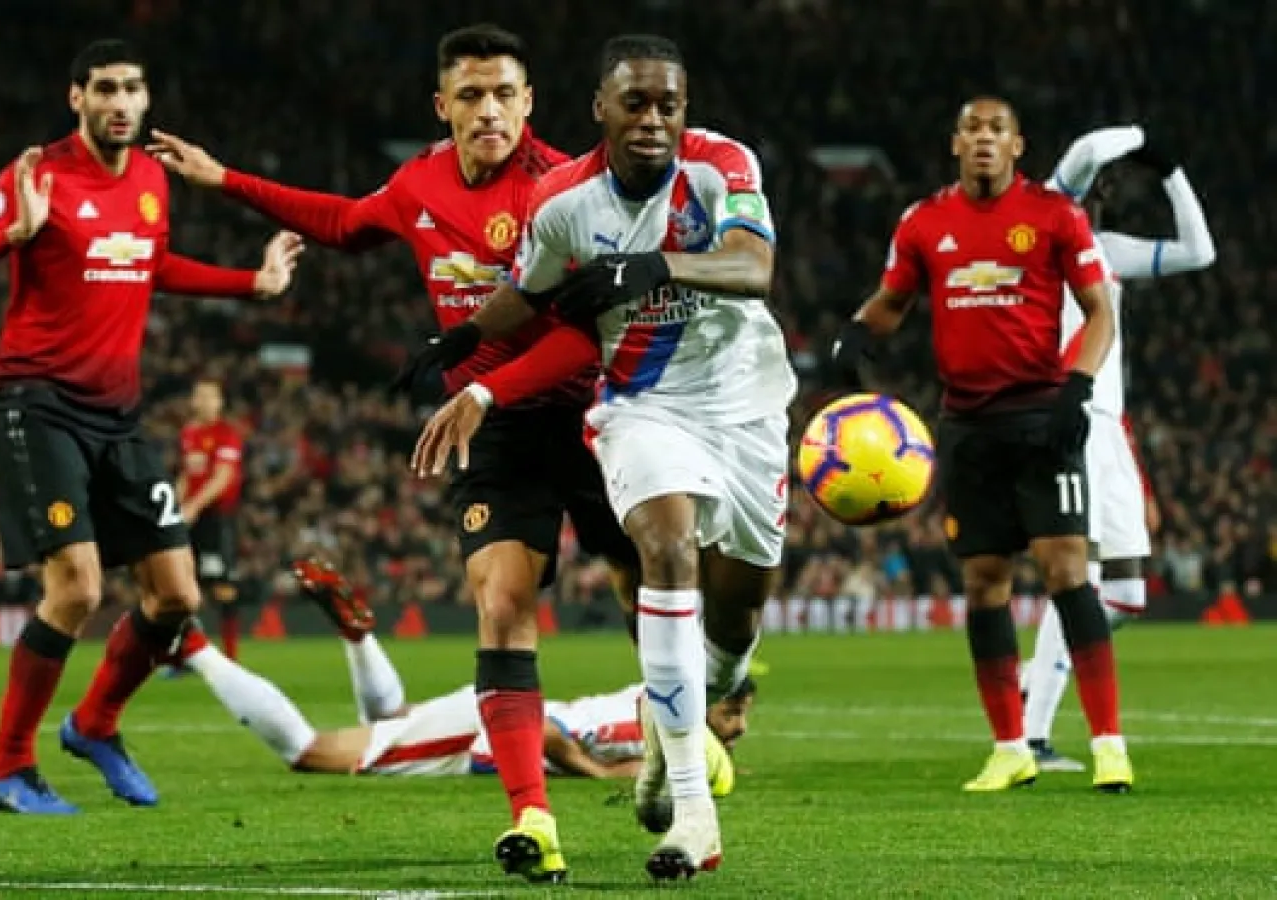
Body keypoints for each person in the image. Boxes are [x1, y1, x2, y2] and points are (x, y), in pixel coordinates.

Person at [149, 24, 639, 883]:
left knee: (654, 590)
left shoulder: (566, 193)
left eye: (504, 95)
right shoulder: (418, 182)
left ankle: (695, 742)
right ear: (442, 105)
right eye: (472, 96)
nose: (489, 111)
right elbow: (343, 222)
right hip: (498, 433)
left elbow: (587, 343)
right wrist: (225, 181)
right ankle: (532, 813)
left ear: (530, 102)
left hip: (595, 415)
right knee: (499, 602)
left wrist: (484, 386)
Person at [410, 34, 789, 881]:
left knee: (733, 630)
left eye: (668, 106)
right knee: (664, 549)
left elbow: (755, 266)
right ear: (600, 111)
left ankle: (664, 741)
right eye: (636, 105)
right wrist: (465, 340)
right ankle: (692, 811)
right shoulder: (563, 201)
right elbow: (531, 292)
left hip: (746, 407)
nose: (653, 121)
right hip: (642, 407)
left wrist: (651, 266)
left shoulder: (723, 165)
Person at [0, 38, 298, 814]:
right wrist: (13, 234)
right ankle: (7, 766)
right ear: (78, 98)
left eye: (133, 88)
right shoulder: (40, 176)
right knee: (78, 587)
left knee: (175, 594)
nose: (121, 102)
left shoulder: (155, 179)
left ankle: (94, 725)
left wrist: (250, 285)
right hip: (40, 403)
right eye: (105, 89)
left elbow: (155, 264)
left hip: (116, 416)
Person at [831, 97, 1133, 794]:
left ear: (1018, 145)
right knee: (983, 583)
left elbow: (1099, 313)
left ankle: (1109, 743)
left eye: (997, 130)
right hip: (967, 427)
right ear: (956, 143)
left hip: (1042, 420)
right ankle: (1009, 747)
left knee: (1068, 574)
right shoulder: (924, 223)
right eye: (972, 129)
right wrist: (856, 333)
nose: (984, 140)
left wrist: (1075, 388)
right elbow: (891, 301)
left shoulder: (1055, 216)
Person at [177, 561, 751, 787]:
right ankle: (195, 645)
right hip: (490, 731)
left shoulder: (656, 702)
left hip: (489, 714)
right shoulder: (643, 729)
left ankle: (358, 639)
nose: (741, 726)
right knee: (310, 752)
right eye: (734, 710)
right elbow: (552, 731)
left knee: (389, 721)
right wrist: (591, 774)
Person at [1020, 125, 1216, 770]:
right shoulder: (1047, 229)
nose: (1101, 188)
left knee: (1126, 594)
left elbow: (1199, 251)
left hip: (1112, 427)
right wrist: (1139, 136)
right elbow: (1075, 160)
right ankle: (1033, 732)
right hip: (1068, 415)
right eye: (1098, 181)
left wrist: (1171, 170)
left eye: (1110, 183)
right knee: (1086, 576)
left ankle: (1038, 675)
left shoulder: (1107, 251)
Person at [177, 377, 246, 660]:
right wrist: (174, 503)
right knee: (182, 585)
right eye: (200, 395)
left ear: (220, 402)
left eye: (210, 396)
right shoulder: (189, 433)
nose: (204, 401)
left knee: (222, 586)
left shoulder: (228, 434)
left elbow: (223, 477)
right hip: (190, 517)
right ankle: (184, 656)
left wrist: (193, 505)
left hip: (217, 518)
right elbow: (186, 475)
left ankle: (231, 658)